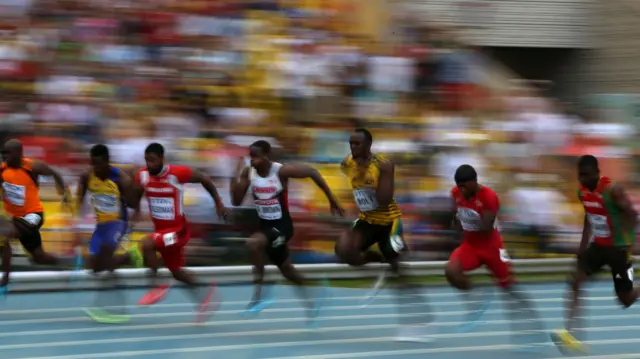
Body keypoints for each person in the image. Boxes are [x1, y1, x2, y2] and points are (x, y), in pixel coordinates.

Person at [230, 140, 344, 326]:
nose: (253, 160)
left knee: (253, 244)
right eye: (251, 156)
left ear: (267, 156)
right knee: (287, 271)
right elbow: (236, 201)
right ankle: (314, 296)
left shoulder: (281, 171)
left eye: (257, 156)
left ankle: (259, 294)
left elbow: (312, 172)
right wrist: (234, 175)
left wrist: (331, 199)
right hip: (266, 227)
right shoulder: (248, 172)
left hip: (283, 227)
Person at [335, 128, 427, 341]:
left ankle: (416, 322)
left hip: (388, 223)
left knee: (399, 269)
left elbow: (384, 200)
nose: (353, 147)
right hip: (367, 221)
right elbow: (347, 173)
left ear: (369, 145)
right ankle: (378, 264)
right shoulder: (348, 163)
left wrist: (376, 178)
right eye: (351, 143)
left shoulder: (382, 165)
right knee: (344, 251)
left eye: (357, 144)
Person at [131, 143, 229, 323]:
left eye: (152, 160)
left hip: (178, 232)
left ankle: (156, 287)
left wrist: (218, 202)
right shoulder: (142, 175)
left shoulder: (177, 173)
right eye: (146, 160)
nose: (149, 164)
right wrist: (135, 214)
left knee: (146, 244)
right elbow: (137, 195)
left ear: (161, 159)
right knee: (176, 272)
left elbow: (204, 178)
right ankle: (207, 295)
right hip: (162, 233)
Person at [550, 155, 638, 354]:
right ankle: (570, 333)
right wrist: (582, 247)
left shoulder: (612, 190)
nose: (583, 179)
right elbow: (589, 218)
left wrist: (628, 242)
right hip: (598, 247)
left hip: (618, 250)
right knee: (575, 280)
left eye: (587, 175)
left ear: (597, 173)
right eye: (580, 175)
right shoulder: (581, 192)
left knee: (625, 299)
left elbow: (632, 214)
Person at [447, 164, 542, 347]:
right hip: (471, 246)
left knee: (510, 290)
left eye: (465, 186)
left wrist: (465, 220)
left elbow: (485, 228)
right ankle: (477, 295)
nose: (462, 190)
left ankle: (531, 327)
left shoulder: (489, 197)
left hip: (492, 248)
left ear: (475, 182)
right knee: (451, 270)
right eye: (459, 186)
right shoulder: (456, 193)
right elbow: (456, 215)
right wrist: (456, 221)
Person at [75, 144, 143, 323]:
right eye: (92, 165)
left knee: (105, 260)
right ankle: (130, 257)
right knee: (95, 267)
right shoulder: (86, 176)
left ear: (106, 162)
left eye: (98, 165)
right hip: (101, 226)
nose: (95, 169)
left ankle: (103, 306)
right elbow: (78, 201)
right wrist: (76, 222)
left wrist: (132, 224)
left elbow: (135, 205)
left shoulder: (121, 179)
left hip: (118, 224)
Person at [0, 139, 77, 292]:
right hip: (15, 218)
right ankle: (68, 264)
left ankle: (6, 277)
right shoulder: (2, 170)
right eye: (2, 153)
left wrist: (64, 194)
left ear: (18, 154)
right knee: (39, 257)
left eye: (7, 153)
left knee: (4, 234)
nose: (4, 156)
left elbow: (55, 173)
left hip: (33, 215)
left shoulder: (32, 166)